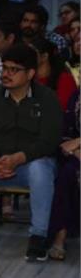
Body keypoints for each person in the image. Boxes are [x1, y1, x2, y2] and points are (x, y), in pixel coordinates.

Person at [0, 43, 63, 262]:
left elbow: (50, 141)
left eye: (13, 69)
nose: (6, 74)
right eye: (4, 68)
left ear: (30, 73)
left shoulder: (47, 98)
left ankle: (38, 236)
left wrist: (18, 158)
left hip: (31, 164)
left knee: (40, 169)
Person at [45, 90, 80, 261]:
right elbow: (66, 136)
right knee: (67, 173)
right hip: (78, 156)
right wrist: (76, 151)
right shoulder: (76, 97)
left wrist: (79, 142)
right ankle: (60, 237)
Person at [30, 37, 78, 110]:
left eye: (31, 53)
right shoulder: (27, 79)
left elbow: (62, 108)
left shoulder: (65, 80)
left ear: (44, 56)